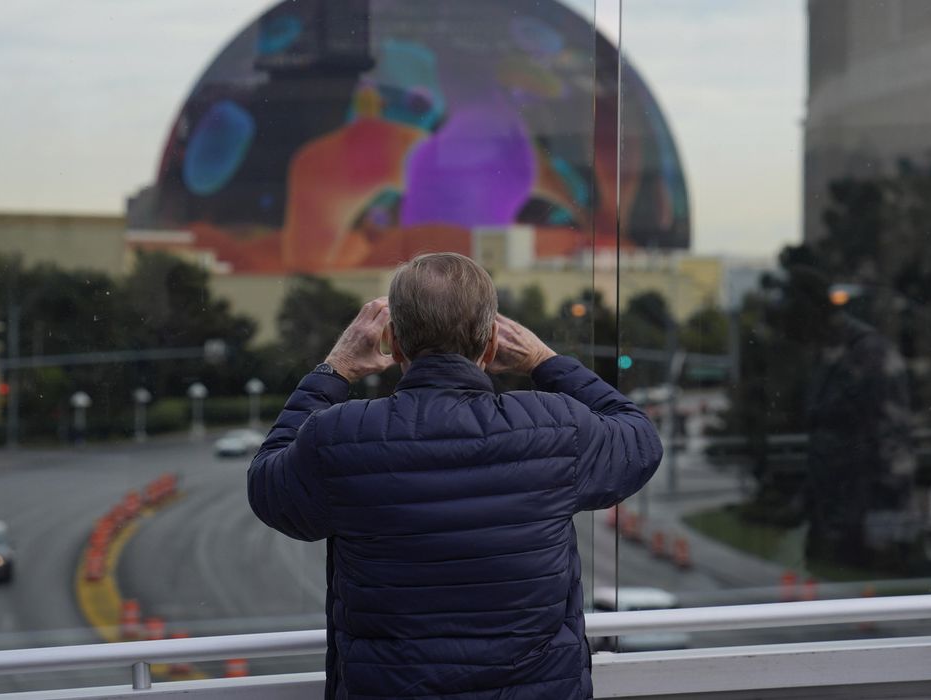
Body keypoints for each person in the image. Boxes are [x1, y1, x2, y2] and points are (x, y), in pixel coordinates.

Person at [248, 252, 662, 699]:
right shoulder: (555, 426)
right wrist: (545, 360)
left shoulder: (341, 435)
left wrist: (335, 369)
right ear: (491, 346)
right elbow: (640, 440)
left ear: (396, 345)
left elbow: (269, 487)